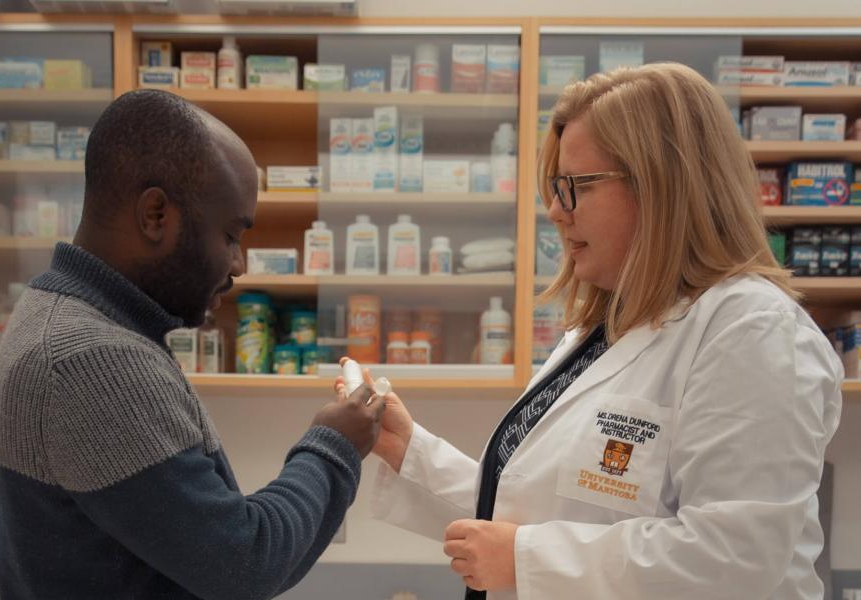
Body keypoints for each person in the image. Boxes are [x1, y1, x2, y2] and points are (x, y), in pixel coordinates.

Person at [349, 63, 843, 599]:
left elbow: (736, 559)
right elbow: (535, 510)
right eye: (557, 188)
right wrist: (408, 450)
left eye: (576, 186)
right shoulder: (608, 332)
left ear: (663, 185)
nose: (557, 212)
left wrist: (526, 559)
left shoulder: (753, 331)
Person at [0, 89, 384, 600]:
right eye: (231, 235)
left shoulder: (60, 314)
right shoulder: (87, 357)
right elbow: (244, 563)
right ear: (156, 214)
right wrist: (335, 445)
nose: (239, 264)